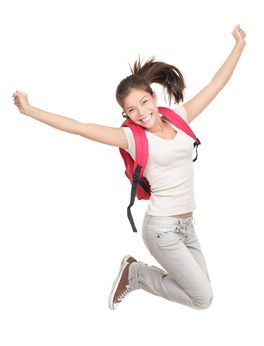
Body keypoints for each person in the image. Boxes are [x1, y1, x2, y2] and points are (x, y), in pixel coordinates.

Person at [12, 24, 246, 311]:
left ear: (154, 97)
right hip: (162, 228)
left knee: (201, 293)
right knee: (202, 298)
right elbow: (80, 128)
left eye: (144, 102)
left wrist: (239, 45)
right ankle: (136, 274)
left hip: (187, 226)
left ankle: (135, 272)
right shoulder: (131, 138)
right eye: (131, 110)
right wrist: (30, 110)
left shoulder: (179, 119)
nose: (141, 113)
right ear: (126, 114)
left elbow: (215, 84)